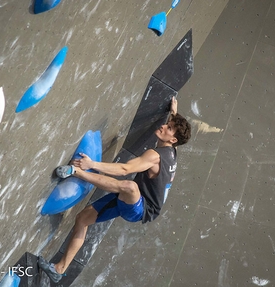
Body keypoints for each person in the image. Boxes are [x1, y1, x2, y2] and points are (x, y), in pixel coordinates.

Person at [38, 97, 191, 283]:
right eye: (168, 123)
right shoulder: (172, 150)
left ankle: (76, 172)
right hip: (132, 200)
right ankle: (59, 269)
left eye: (169, 127)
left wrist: (91, 164)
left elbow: (125, 169)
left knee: (130, 185)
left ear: (173, 139)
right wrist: (174, 110)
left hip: (140, 208)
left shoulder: (155, 156)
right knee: (82, 219)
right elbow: (176, 126)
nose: (164, 126)